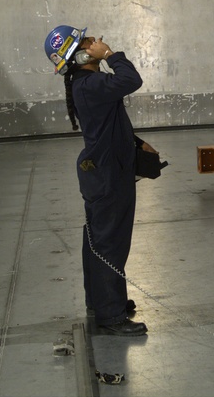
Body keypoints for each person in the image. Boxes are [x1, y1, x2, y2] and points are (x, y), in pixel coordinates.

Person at [45, 24, 157, 336]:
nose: (96, 42)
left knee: (98, 237)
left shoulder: (86, 83)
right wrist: (110, 54)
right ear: (80, 55)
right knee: (111, 241)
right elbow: (131, 79)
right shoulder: (91, 83)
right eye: (88, 42)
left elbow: (109, 123)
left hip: (104, 167)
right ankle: (111, 315)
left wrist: (135, 143)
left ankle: (103, 299)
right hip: (108, 173)